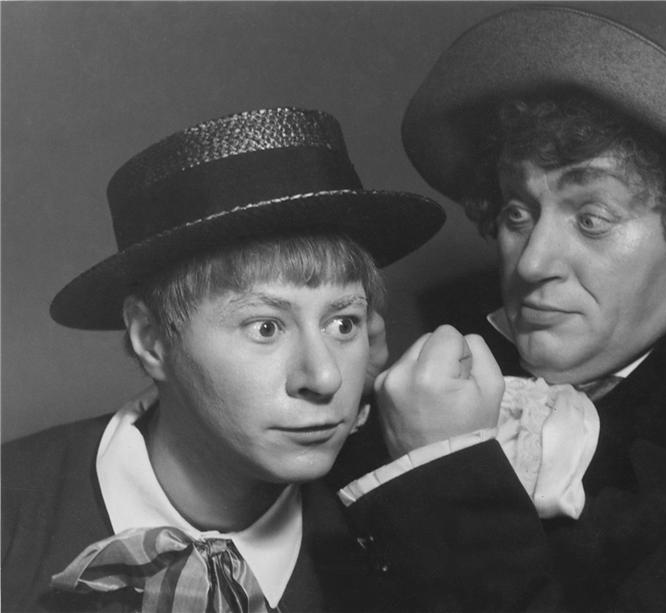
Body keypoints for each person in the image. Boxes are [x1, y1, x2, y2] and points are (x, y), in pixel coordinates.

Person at [338, 6, 666, 612]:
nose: (531, 263)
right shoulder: (431, 379)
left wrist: (443, 468)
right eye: (516, 213)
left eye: (592, 219)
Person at [1, 106, 444, 612]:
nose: (324, 377)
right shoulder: (11, 506)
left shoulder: (399, 522)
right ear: (151, 339)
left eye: (343, 324)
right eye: (266, 327)